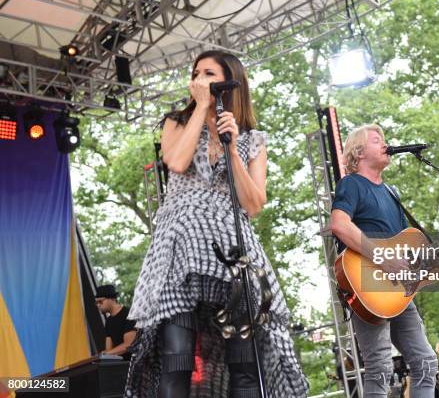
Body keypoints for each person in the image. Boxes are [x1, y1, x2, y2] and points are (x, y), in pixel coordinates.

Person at [124, 51, 308, 398]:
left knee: (245, 362)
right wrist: (200, 109)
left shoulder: (251, 137)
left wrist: (233, 148)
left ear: (229, 81)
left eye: (209, 73)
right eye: (196, 73)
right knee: (176, 359)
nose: (198, 78)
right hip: (179, 244)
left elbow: (253, 204)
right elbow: (176, 162)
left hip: (231, 247)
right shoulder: (177, 121)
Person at [330, 124, 439, 398]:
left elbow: (409, 254)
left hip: (398, 291)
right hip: (367, 285)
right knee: (380, 367)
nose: (385, 143)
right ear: (358, 152)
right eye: (376, 139)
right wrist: (382, 257)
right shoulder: (351, 184)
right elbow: (339, 225)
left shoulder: (392, 193)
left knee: (426, 363)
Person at [95, 284, 137, 360]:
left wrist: (105, 354)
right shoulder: (109, 321)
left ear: (112, 299)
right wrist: (103, 354)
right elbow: (109, 349)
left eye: (100, 301)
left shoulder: (129, 314)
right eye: (96, 303)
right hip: (119, 365)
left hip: (135, 364)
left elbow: (129, 344)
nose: (98, 305)